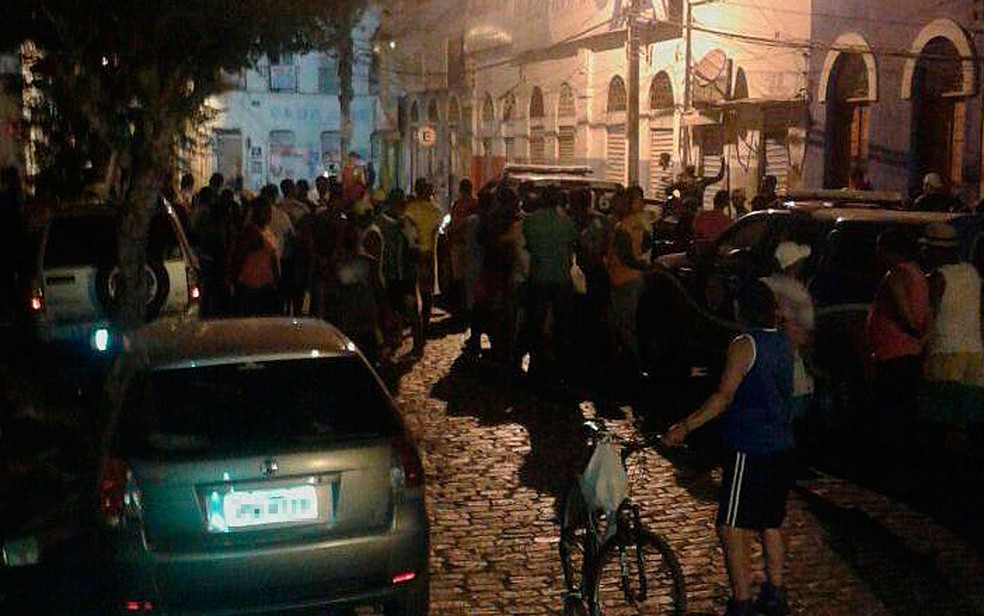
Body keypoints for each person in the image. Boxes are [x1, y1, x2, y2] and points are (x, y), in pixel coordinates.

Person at [665, 280, 795, 616]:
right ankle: (775, 590)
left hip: (749, 445)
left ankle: (741, 600)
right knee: (770, 521)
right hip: (780, 443)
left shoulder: (744, 345)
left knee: (731, 524)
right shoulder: (783, 342)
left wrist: (686, 425)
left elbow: (723, 397)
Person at [864, 227, 930, 449]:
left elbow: (903, 310)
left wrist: (913, 331)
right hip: (910, 348)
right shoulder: (918, 273)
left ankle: (894, 450)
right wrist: (922, 337)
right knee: (906, 402)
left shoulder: (896, 275)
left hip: (893, 349)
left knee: (891, 403)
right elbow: (927, 312)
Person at [920, 222, 983, 447]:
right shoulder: (972, 273)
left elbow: (930, 316)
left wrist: (921, 345)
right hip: (974, 351)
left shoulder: (938, 277)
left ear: (935, 250)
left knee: (940, 414)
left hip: (945, 350)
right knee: (969, 412)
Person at [521, 185, 578, 380]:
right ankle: (563, 363)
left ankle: (537, 360)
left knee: (535, 321)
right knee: (563, 323)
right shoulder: (566, 222)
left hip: (539, 276)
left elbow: (527, 245)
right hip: (561, 278)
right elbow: (572, 246)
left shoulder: (530, 221)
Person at [606, 186, 652, 369]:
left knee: (625, 322)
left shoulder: (623, 226)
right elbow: (647, 245)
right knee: (632, 321)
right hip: (635, 278)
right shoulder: (642, 222)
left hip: (623, 279)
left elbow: (624, 255)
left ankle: (634, 360)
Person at [404, 178, 444, 350]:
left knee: (413, 294)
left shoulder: (409, 210)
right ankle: (424, 328)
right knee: (427, 295)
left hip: (412, 256)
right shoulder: (436, 211)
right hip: (429, 256)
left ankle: (417, 331)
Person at [233, 196, 280, 316]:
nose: (269, 215)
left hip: (264, 284)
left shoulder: (266, 230)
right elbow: (239, 258)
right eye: (266, 212)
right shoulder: (250, 233)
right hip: (252, 286)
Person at [448, 178, 478, 314]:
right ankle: (470, 305)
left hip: (459, 245)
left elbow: (453, 225)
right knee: (470, 278)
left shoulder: (457, 205)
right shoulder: (475, 204)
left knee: (459, 278)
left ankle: (462, 305)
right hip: (472, 246)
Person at [0, 166, 25, 322]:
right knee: (9, 282)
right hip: (10, 249)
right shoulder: (9, 200)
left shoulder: (10, 199)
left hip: (10, 249)